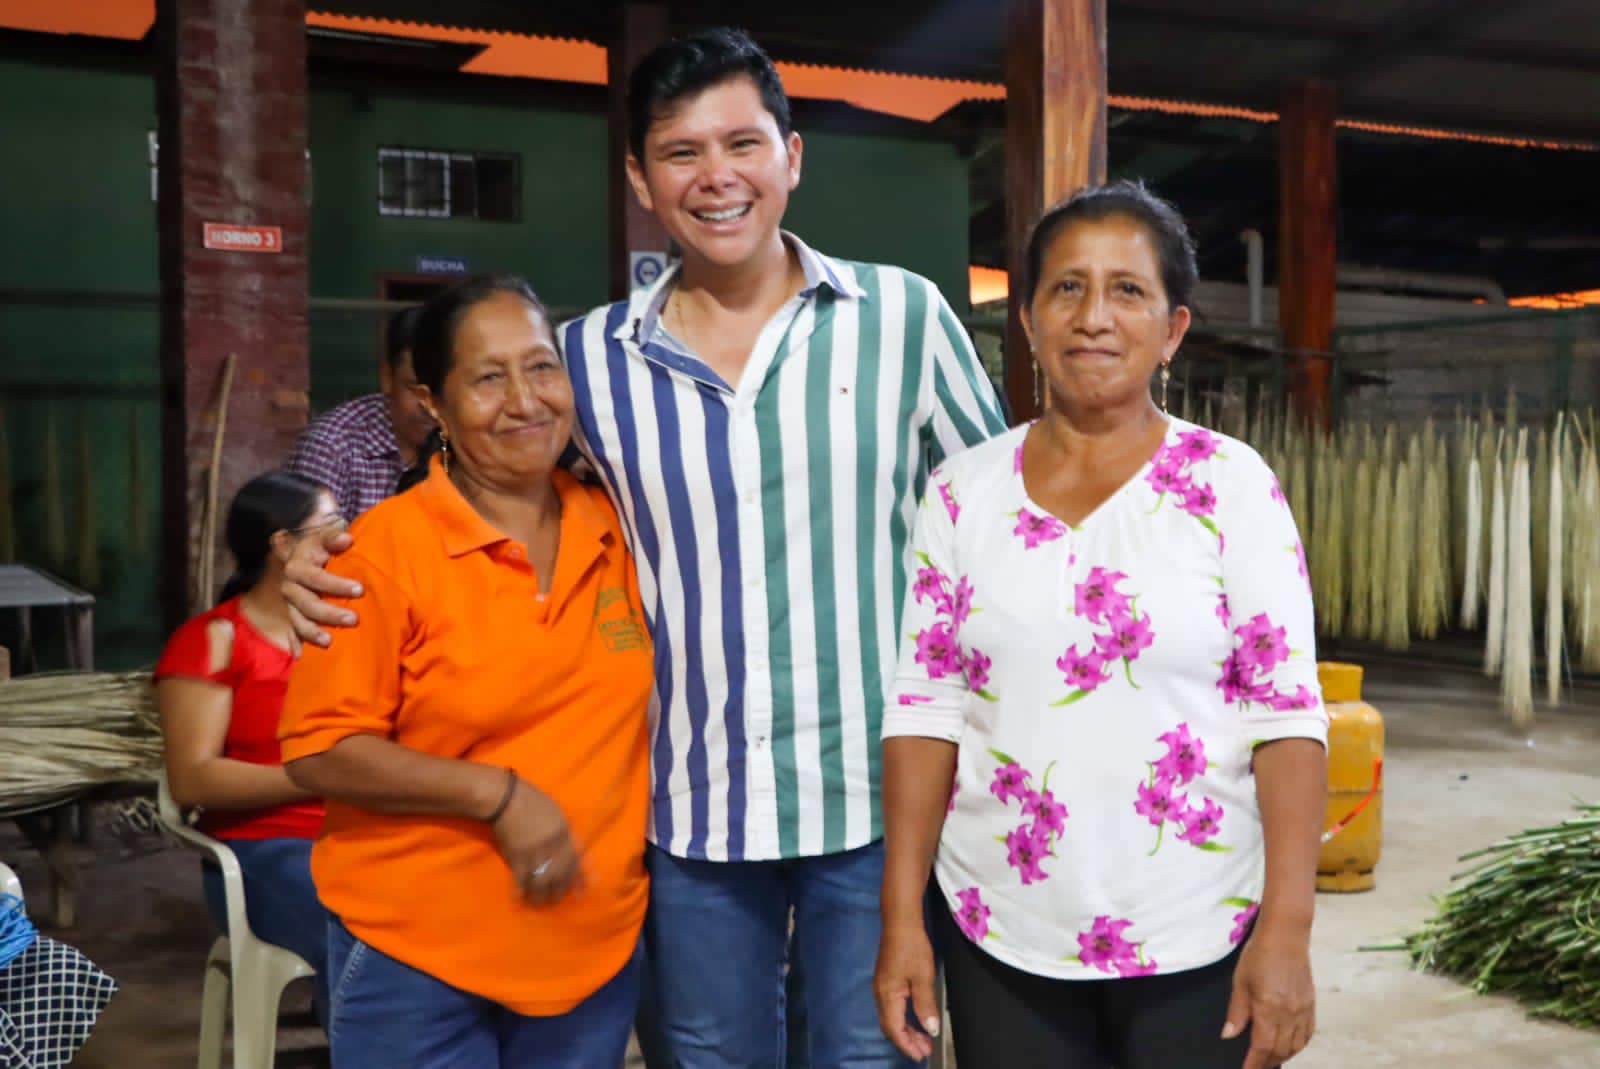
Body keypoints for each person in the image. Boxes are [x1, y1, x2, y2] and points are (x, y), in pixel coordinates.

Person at [284, 29, 1006, 1068]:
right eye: (681, 152)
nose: (717, 177)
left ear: (792, 156)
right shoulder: (587, 362)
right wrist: (329, 550)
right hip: (691, 809)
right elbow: (494, 483)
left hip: (873, 800)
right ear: (640, 178)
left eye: (743, 144)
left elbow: (999, 523)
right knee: (708, 1058)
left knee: (870, 1054)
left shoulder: (904, 318)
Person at [873, 181, 1329, 1069]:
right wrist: (902, 920)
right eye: (1067, 288)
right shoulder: (962, 495)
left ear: (1172, 329)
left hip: (1199, 928)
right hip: (1000, 929)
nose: (1093, 317)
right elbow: (927, 708)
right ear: (1028, 320)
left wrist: (1287, 929)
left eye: (1128, 290)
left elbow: (1287, 718)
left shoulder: (1231, 487)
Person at [277, 276, 654, 1069]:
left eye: (541, 367)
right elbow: (320, 747)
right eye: (488, 377)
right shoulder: (383, 552)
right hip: (420, 959)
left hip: (588, 953)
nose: (524, 400)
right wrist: (499, 795)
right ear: (434, 405)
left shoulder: (619, 528)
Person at [154, 470, 339, 1022]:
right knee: (365, 933)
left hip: (357, 833)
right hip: (265, 851)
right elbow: (193, 780)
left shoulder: (345, 630)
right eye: (332, 525)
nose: (347, 538)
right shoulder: (215, 640)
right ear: (283, 546)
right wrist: (322, 774)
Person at [288, 304, 434, 521]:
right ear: (387, 378)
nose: (429, 405)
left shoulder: (469, 437)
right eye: (414, 389)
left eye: (440, 390)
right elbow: (309, 539)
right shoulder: (332, 446)